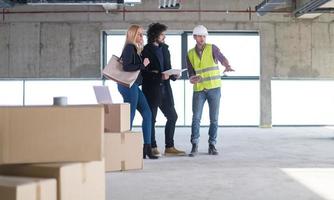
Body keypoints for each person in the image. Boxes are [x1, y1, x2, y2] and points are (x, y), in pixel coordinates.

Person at [187, 25, 234, 157]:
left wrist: (227, 65)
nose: (202, 38)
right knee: (196, 118)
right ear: (194, 37)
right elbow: (190, 72)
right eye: (199, 36)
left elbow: (221, 58)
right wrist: (192, 79)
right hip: (199, 90)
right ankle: (194, 145)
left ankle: (212, 145)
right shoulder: (190, 53)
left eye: (204, 36)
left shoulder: (212, 48)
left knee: (214, 119)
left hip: (214, 88)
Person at [141, 23, 186, 156]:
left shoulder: (165, 49)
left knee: (173, 116)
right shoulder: (145, 50)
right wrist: (160, 75)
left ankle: (169, 147)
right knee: (151, 119)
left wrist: (174, 75)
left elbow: (168, 67)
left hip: (165, 89)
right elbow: (144, 72)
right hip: (152, 89)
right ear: (155, 35)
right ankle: (152, 147)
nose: (164, 37)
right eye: (162, 34)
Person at [117, 24, 158, 159]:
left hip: (134, 85)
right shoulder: (129, 48)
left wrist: (147, 68)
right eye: (139, 34)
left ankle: (147, 148)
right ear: (132, 35)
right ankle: (123, 147)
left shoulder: (135, 49)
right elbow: (127, 67)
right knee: (131, 114)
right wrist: (143, 65)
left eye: (142, 34)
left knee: (147, 113)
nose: (142, 36)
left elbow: (136, 69)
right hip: (128, 85)